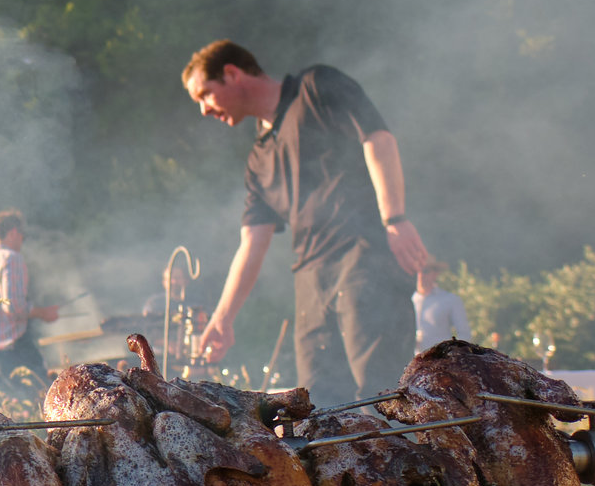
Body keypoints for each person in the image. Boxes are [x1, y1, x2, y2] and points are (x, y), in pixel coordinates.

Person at [184, 41, 433, 406]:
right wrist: (223, 318)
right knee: (321, 406)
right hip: (311, 283)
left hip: (364, 258)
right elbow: (252, 242)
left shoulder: (315, 87)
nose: (204, 109)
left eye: (205, 94)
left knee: (383, 396)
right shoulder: (258, 158)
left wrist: (394, 219)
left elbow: (377, 138)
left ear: (233, 74)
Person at [0, 212, 59, 396]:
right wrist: (42, 313)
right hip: (13, 353)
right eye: (23, 235)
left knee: (2, 416)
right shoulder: (12, 259)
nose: (23, 240)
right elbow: (14, 307)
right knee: (38, 406)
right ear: (14, 232)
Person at [414, 259, 470, 351]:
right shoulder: (407, 302)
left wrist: (450, 354)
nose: (420, 275)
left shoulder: (450, 300)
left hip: (441, 361)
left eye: (425, 271)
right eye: (416, 271)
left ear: (435, 274)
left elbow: (464, 334)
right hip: (412, 362)